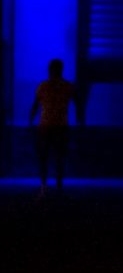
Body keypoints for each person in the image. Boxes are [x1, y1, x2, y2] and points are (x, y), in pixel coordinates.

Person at [30, 58, 76, 199]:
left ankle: (44, 187)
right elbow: (77, 103)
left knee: (44, 157)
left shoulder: (43, 86)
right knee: (59, 157)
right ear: (61, 70)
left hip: (45, 126)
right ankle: (59, 187)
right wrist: (81, 121)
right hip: (61, 126)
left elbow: (36, 105)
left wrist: (30, 121)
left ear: (49, 70)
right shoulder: (67, 86)